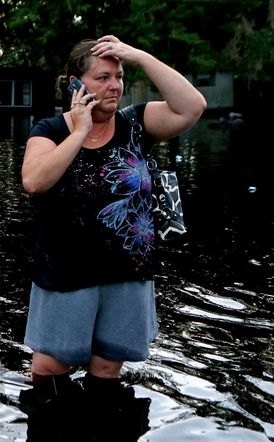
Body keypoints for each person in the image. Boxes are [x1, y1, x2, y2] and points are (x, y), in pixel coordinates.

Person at [19, 35, 206, 419]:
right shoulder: (50, 130)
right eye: (103, 77)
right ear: (75, 83)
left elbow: (192, 108)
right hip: (67, 274)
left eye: (118, 77)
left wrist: (138, 56)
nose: (115, 85)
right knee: (49, 372)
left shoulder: (136, 123)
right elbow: (35, 181)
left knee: (106, 371)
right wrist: (78, 132)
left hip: (126, 274)